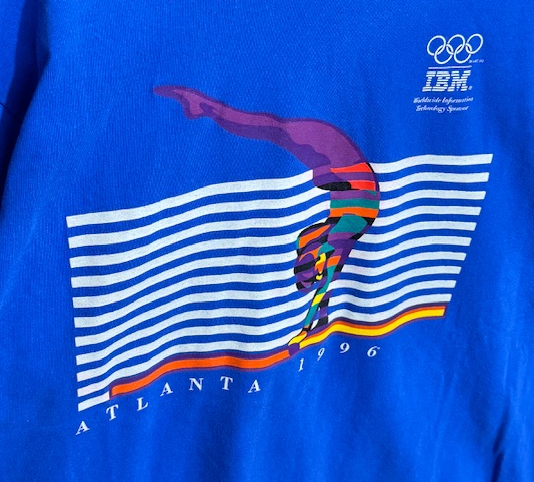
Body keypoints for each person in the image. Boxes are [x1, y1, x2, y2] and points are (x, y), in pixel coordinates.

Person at [154, 85, 381, 352]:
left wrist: (306, 329)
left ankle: (207, 107)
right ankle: (207, 107)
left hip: (348, 182)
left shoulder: (322, 237)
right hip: (349, 178)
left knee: (273, 128)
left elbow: (324, 289)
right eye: (309, 267)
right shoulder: (335, 237)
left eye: (306, 267)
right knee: (272, 128)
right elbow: (324, 288)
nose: (311, 264)